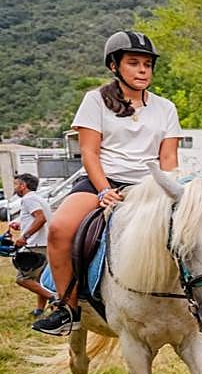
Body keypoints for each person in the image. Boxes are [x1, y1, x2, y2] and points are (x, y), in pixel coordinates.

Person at [33, 31, 183, 335]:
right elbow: (89, 151)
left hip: (149, 185)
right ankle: (66, 308)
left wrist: (171, 191)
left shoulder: (165, 107)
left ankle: (197, 298)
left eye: (147, 64)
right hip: (104, 181)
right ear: (114, 66)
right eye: (134, 63)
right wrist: (103, 190)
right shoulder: (95, 100)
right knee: (60, 229)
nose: (143, 70)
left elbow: (169, 158)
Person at [10, 173, 54, 314]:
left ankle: (55, 299)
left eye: (16, 184)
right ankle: (40, 310)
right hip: (45, 243)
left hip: (34, 245)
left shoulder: (28, 199)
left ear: (23, 186)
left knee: (22, 279)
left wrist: (25, 236)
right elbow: (37, 218)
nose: (15, 187)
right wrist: (20, 224)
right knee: (41, 279)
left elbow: (40, 218)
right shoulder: (38, 198)